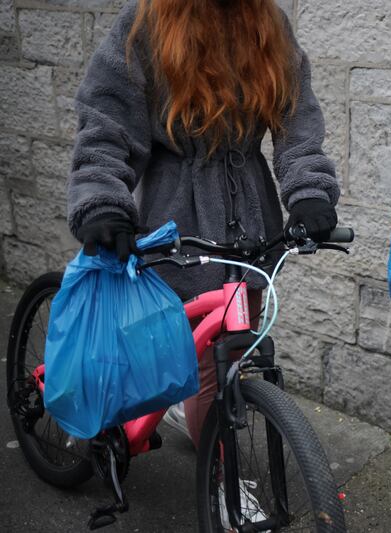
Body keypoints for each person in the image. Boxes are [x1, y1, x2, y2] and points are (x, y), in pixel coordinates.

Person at [67, 0, 339, 452]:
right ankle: (219, 483)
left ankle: (205, 437)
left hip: (252, 229)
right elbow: (105, 127)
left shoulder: (267, 22)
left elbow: (298, 123)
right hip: (177, 225)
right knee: (194, 360)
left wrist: (308, 190)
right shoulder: (145, 25)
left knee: (234, 349)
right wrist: (101, 200)